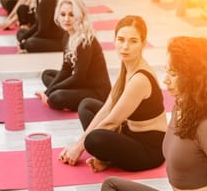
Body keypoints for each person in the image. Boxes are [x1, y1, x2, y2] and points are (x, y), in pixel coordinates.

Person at [101, 36, 207, 191]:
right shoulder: (181, 107)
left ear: (193, 76)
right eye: (166, 71)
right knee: (111, 186)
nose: (165, 80)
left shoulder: (204, 122)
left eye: (174, 73)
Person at [59, 15, 167, 172]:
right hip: (130, 134)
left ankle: (108, 157)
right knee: (86, 105)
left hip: (149, 150)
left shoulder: (140, 79)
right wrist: (79, 143)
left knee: (93, 139)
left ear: (143, 44)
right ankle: (108, 158)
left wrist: (78, 147)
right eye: (121, 39)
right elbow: (108, 107)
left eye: (133, 41)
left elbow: (112, 122)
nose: (125, 46)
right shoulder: (127, 67)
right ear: (114, 40)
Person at [35, 0, 111, 111]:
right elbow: (66, 69)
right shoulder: (67, 36)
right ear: (58, 16)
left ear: (79, 16)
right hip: (82, 83)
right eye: (63, 14)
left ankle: (64, 94)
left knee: (56, 97)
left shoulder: (85, 40)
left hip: (97, 93)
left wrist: (51, 92)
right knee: (47, 75)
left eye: (71, 15)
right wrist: (48, 91)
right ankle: (64, 92)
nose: (66, 19)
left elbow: (78, 77)